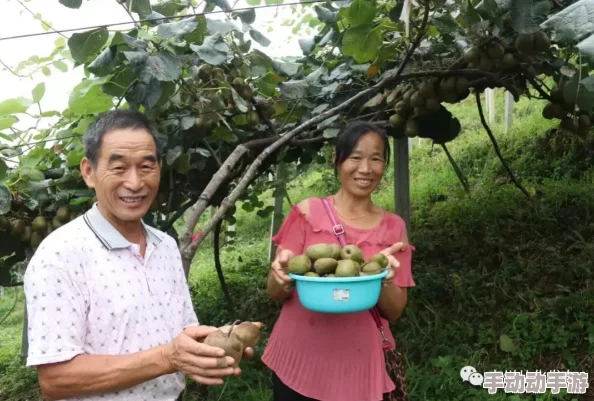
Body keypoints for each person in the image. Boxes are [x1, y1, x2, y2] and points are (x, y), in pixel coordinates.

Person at [23, 109, 259, 401]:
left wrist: (213, 341)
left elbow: (182, 329)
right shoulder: (60, 256)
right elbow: (56, 380)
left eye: (146, 166)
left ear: (159, 167)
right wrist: (167, 358)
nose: (135, 183)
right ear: (89, 172)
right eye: (119, 168)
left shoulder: (165, 246)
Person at [262, 121, 416, 401]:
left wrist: (386, 280)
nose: (365, 169)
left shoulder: (394, 229)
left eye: (376, 159)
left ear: (385, 165)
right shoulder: (308, 212)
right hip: (297, 360)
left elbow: (394, 312)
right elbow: (274, 292)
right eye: (355, 157)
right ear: (337, 161)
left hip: (358, 366)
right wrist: (280, 274)